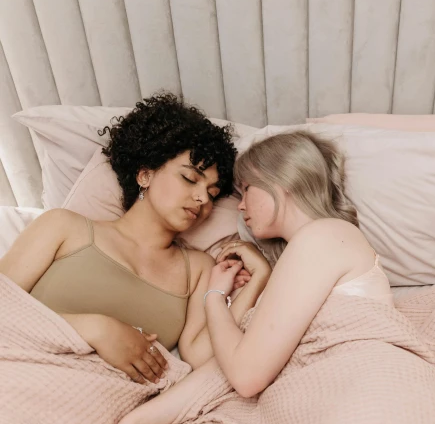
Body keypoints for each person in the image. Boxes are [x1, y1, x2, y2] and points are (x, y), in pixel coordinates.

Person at [93, 130, 394, 424]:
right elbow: (217, 365)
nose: (238, 206)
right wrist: (134, 423)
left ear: (280, 181)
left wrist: (217, 297)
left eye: (245, 188)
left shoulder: (327, 236)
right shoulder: (301, 257)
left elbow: (246, 374)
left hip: (360, 397)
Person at [0, 93, 262, 382]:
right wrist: (96, 329)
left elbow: (200, 356)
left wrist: (260, 276)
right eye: (189, 179)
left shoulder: (199, 268)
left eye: (212, 194)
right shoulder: (63, 227)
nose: (202, 198)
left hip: (101, 409)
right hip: (18, 377)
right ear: (145, 175)